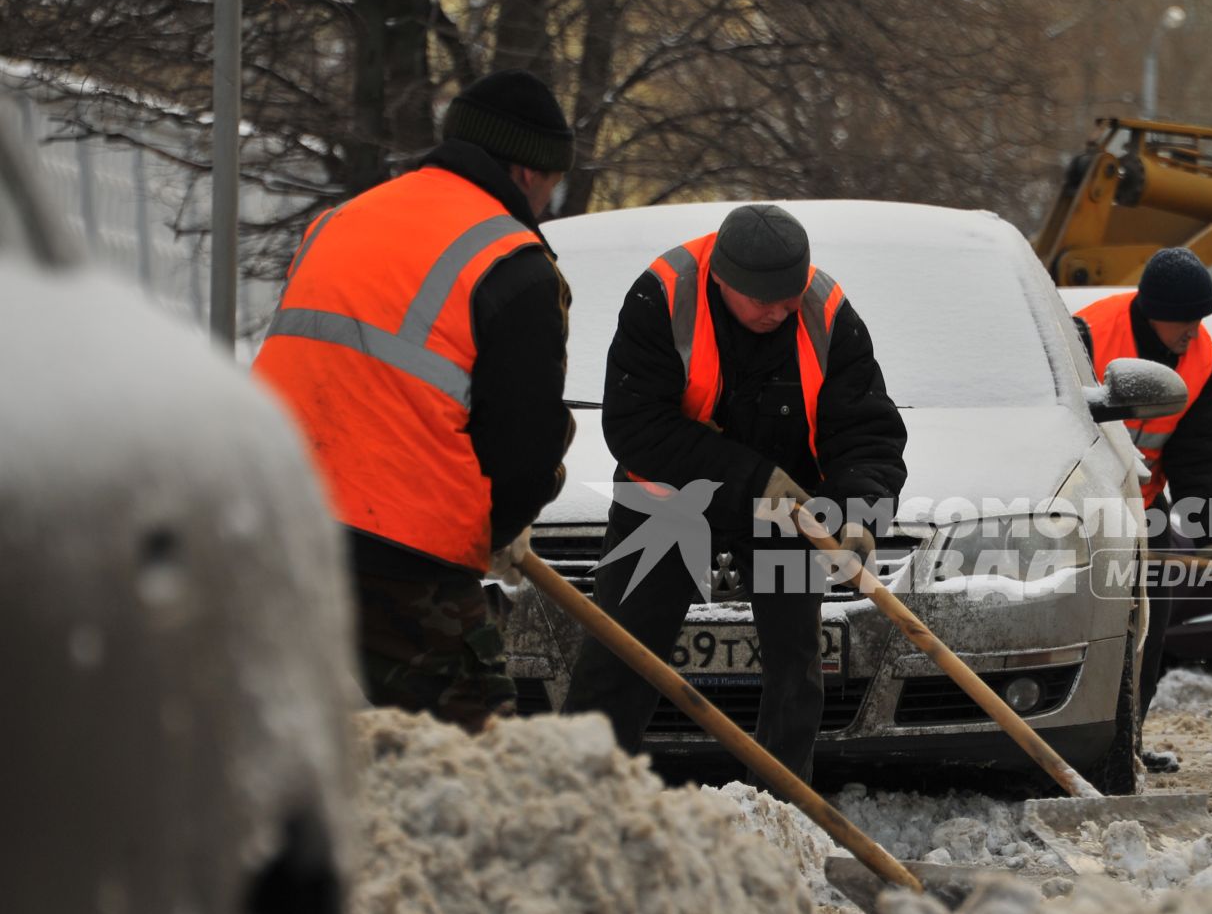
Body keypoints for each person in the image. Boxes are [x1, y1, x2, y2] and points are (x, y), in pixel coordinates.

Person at [254, 68, 575, 732]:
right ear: (526, 173)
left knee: (282, 746)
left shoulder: (342, 219)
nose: (549, 201)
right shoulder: (514, 264)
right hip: (403, 556)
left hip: (277, 516)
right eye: (553, 183)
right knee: (474, 761)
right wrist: (499, 526)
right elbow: (525, 445)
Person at [565, 204, 908, 785]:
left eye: (788, 298)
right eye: (762, 300)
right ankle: (573, 795)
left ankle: (782, 804)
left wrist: (856, 513)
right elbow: (636, 425)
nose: (778, 312)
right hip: (668, 502)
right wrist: (754, 481)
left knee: (796, 669)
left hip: (790, 513)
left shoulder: (826, 311)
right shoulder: (662, 295)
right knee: (621, 654)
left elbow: (865, 430)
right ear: (722, 280)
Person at [1076, 247, 1212, 774]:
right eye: (1184, 321)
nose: (1194, 332)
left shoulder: (1202, 358)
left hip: (1144, 506)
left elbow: (1195, 455)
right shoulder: (1090, 334)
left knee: (1151, 623)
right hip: (1082, 513)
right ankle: (1073, 742)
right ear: (1151, 311)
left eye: (1200, 320)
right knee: (1090, 624)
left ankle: (1127, 745)